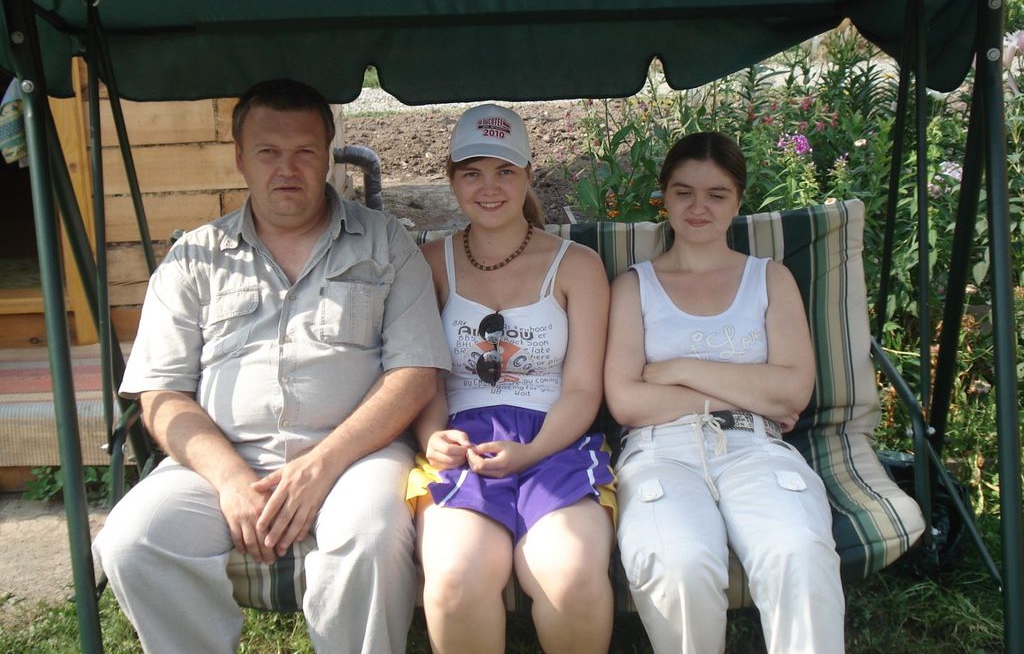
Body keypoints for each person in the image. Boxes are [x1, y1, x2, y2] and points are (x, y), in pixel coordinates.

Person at [92, 78, 451, 654]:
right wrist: (231, 480)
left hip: (355, 456)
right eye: (268, 152)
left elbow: (415, 374)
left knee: (370, 535)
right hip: (219, 461)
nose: (287, 169)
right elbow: (161, 394)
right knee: (133, 541)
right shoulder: (194, 258)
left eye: (305, 151)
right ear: (240, 158)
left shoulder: (386, 243)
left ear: (328, 156)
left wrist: (322, 465)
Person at [605, 131, 845, 654]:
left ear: (738, 201)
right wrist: (752, 391)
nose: (699, 207)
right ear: (664, 196)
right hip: (659, 452)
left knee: (798, 550)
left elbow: (794, 390)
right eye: (684, 192)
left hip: (755, 447)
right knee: (678, 562)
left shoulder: (770, 279)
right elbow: (627, 401)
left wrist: (677, 369)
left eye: (716, 194)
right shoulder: (634, 287)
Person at [408, 104, 615, 653]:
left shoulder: (577, 265)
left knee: (570, 575)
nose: (489, 187)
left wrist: (532, 452)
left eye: (504, 171)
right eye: (472, 173)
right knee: (456, 578)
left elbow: (584, 389)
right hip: (464, 442)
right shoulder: (429, 263)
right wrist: (432, 436)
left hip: (556, 437)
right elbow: (422, 374)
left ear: (527, 174)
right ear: (452, 179)